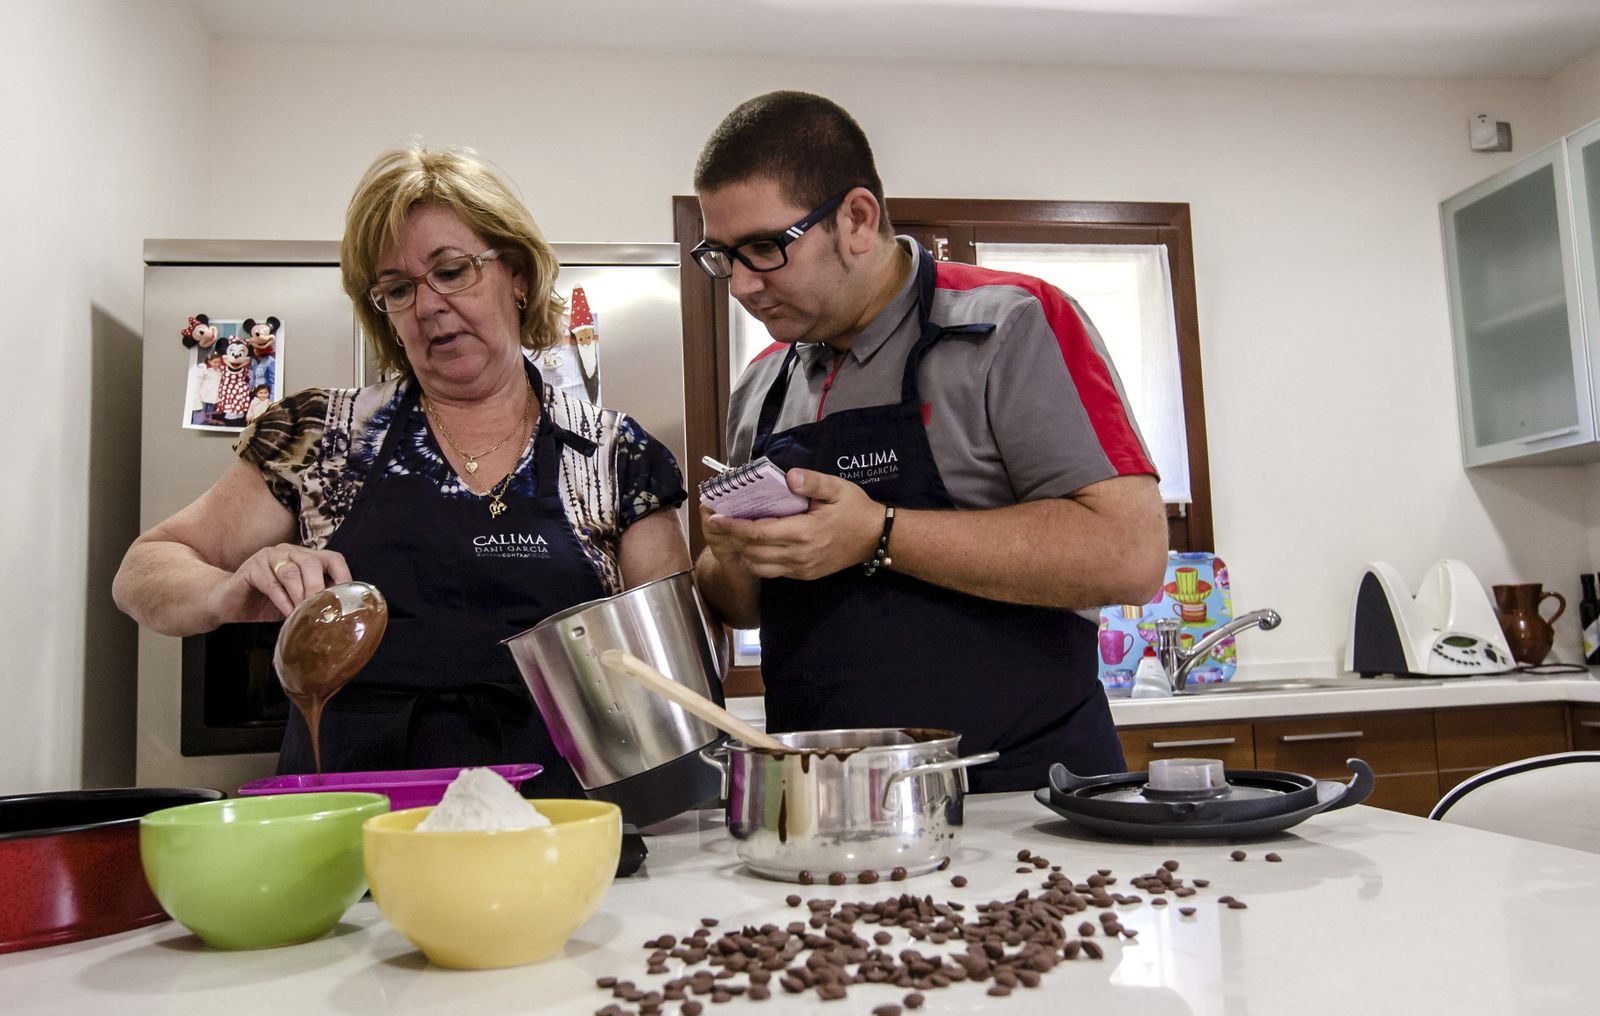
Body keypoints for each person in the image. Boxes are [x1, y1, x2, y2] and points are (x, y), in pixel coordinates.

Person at [114, 145, 691, 794]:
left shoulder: (614, 455)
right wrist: (228, 590)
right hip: (352, 851)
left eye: (452, 270)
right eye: (398, 288)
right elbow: (143, 568)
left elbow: (670, 695)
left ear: (518, 275)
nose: (428, 304)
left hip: (555, 844)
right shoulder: (320, 435)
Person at [689, 91, 1168, 793]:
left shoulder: (1012, 323)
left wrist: (878, 533)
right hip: (833, 808)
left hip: (1024, 803)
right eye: (721, 256)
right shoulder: (760, 385)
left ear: (857, 219)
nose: (740, 285)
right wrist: (728, 558)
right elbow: (745, 605)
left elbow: (1131, 553)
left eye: (764, 248)